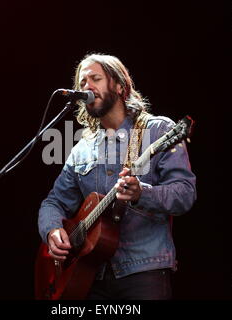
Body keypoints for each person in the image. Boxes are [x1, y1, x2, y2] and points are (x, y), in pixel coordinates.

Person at [38, 53, 196, 300]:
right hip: (90, 276)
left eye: (95, 78)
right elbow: (53, 202)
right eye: (81, 83)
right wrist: (52, 230)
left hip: (142, 271)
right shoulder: (83, 148)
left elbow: (185, 194)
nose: (86, 86)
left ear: (120, 86)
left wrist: (142, 193)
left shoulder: (157, 130)